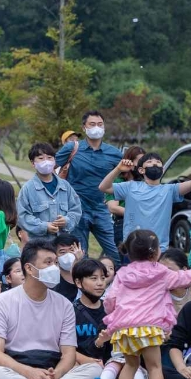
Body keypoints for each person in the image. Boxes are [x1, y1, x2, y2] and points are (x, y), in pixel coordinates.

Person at [0, 239, 103, 379]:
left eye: (55, 262)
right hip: (17, 368)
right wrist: (29, 373)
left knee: (95, 370)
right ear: (29, 268)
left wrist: (55, 376)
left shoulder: (64, 305)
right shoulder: (2, 302)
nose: (54, 268)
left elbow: (69, 354)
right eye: (48, 263)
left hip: (52, 368)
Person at [104, 230, 191, 379]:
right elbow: (184, 279)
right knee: (155, 367)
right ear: (155, 253)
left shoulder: (123, 273)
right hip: (149, 329)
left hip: (125, 329)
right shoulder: (162, 272)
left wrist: (114, 313)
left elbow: (110, 300)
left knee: (130, 365)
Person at [101, 144, 191, 251]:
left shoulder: (169, 190)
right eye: (150, 162)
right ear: (141, 170)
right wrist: (118, 169)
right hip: (133, 247)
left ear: (163, 169)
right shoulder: (130, 186)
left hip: (159, 248)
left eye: (158, 162)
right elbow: (103, 187)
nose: (154, 164)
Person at [54, 111, 123, 264]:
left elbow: (127, 176)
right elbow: (50, 168)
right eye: (92, 124)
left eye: (100, 124)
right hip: (76, 210)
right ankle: (82, 287)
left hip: (102, 209)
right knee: (80, 256)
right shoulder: (73, 148)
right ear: (84, 127)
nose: (96, 127)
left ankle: (116, 286)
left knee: (114, 254)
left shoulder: (114, 153)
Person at [17, 142, 83, 239]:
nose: (46, 161)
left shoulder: (65, 186)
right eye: (41, 158)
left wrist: (66, 220)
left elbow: (76, 210)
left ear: (54, 160)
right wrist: (44, 226)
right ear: (33, 163)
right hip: (39, 245)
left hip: (62, 245)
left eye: (49, 157)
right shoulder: (28, 189)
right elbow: (22, 216)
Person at [104, 145, 145, 249]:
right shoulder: (118, 182)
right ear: (129, 162)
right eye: (139, 161)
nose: (142, 165)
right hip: (122, 224)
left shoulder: (143, 182)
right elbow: (113, 207)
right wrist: (135, 213)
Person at [51, 233, 82, 302]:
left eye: (72, 250)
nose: (68, 255)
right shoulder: (51, 278)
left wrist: (77, 262)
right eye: (62, 252)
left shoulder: (87, 273)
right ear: (55, 255)